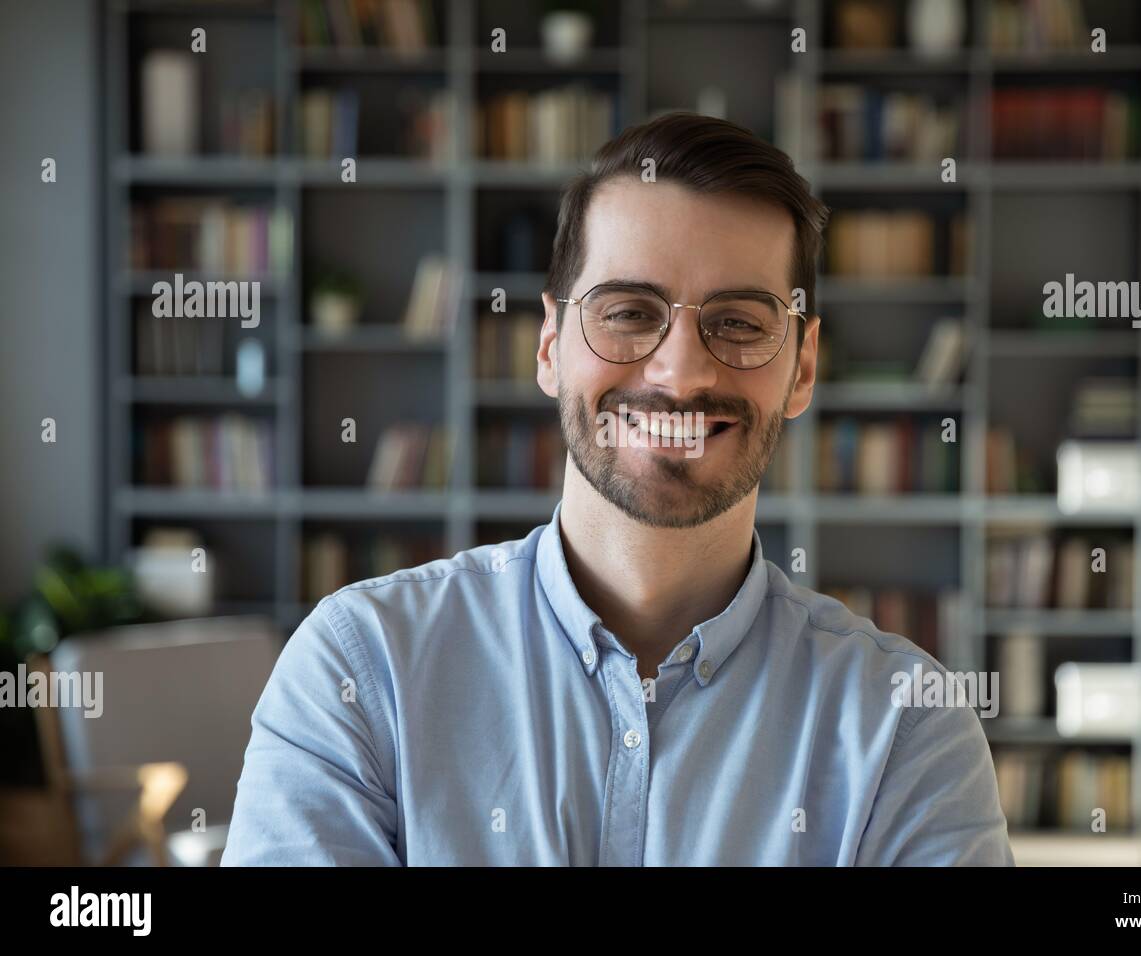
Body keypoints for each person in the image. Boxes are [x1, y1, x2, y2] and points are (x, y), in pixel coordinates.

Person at [222, 112, 1014, 866]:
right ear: (549, 346)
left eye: (739, 322)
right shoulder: (363, 671)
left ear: (802, 367)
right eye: (630, 312)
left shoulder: (906, 724)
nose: (681, 372)